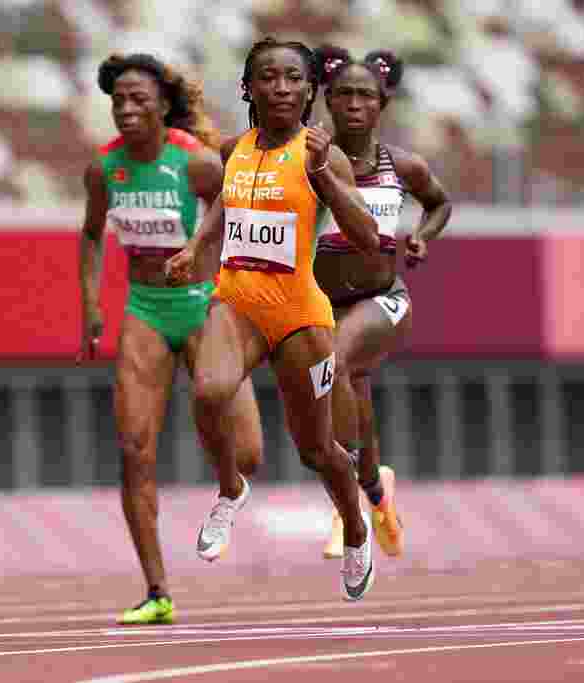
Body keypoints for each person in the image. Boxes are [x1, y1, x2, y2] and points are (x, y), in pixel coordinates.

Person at [165, 37, 380, 601]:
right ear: (249, 88)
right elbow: (222, 206)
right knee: (209, 392)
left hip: (300, 317)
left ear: (310, 91)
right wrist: (195, 248)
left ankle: (356, 530)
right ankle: (231, 489)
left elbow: (367, 238)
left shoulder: (322, 153)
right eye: (268, 77)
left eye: (292, 78)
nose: (280, 88)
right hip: (235, 301)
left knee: (318, 450)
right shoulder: (234, 148)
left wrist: (324, 177)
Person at [78, 53, 265, 625]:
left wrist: (206, 254)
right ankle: (157, 589)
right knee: (134, 451)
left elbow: (242, 211)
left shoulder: (196, 163)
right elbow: (90, 236)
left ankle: (230, 486)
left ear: (163, 105)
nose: (127, 110)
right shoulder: (104, 169)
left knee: (250, 454)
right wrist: (90, 305)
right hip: (145, 308)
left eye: (139, 99)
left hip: (205, 305)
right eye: (118, 101)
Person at [313, 46, 453, 560]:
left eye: (365, 95)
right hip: (325, 305)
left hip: (383, 300)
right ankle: (376, 492)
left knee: (335, 360)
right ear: (326, 100)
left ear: (382, 104)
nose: (354, 104)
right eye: (344, 94)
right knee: (354, 400)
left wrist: (422, 236)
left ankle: (343, 503)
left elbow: (439, 203)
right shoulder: (309, 163)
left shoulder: (403, 165)